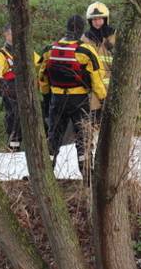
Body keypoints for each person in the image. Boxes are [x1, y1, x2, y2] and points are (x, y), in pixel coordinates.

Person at [44, 14, 106, 172]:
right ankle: (87, 174)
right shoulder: (85, 51)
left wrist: (46, 97)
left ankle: (47, 173)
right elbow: (97, 80)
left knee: (53, 136)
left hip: (56, 99)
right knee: (83, 136)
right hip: (78, 99)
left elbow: (42, 77)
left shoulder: (50, 49)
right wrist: (103, 99)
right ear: (80, 30)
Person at [0, 25, 37, 151]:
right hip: (10, 91)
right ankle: (13, 145)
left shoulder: (26, 51)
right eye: (10, 34)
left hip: (26, 89)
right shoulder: (1, 55)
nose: (13, 36)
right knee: (14, 115)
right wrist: (0, 81)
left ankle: (34, 145)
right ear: (6, 35)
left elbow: (39, 63)